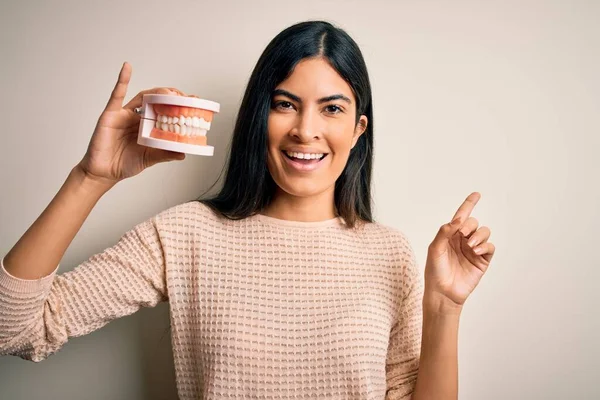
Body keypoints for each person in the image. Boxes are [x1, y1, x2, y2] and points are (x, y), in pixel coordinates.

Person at [0, 20, 495, 399]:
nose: (305, 129)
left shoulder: (390, 252)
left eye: (332, 108)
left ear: (359, 130)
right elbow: (16, 329)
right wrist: (91, 178)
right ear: (259, 118)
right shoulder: (187, 235)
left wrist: (444, 308)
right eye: (284, 104)